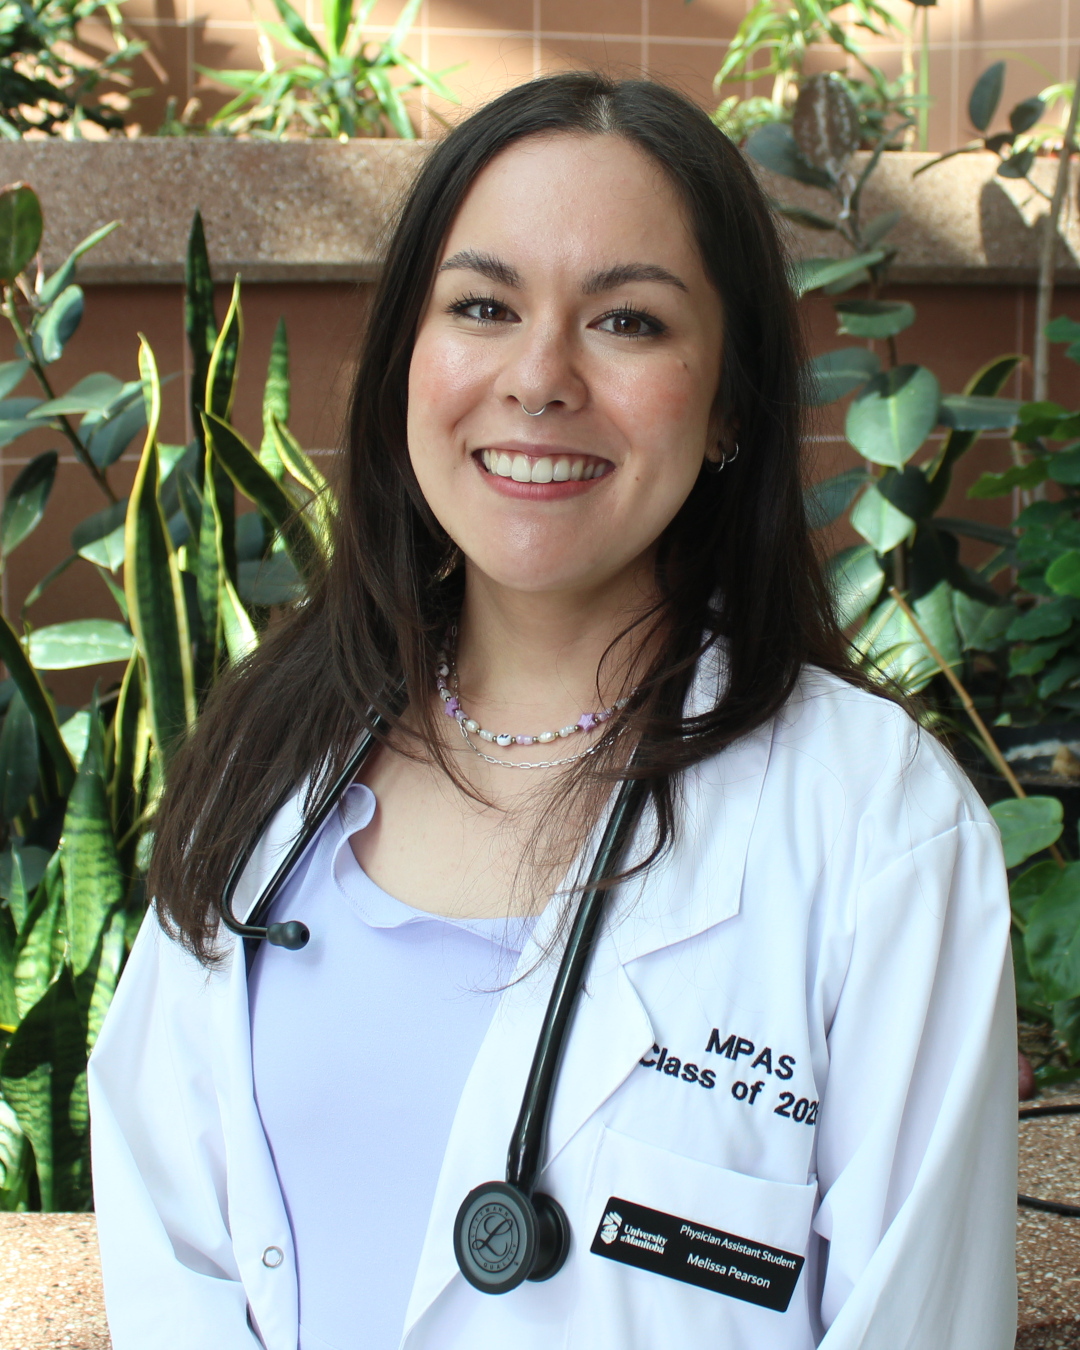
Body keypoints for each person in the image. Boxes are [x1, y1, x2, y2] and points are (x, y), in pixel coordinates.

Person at [88, 72, 1016, 1350]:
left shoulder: (876, 825)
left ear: (729, 399)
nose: (538, 378)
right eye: (483, 306)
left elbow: (920, 1321)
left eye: (628, 321)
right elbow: (170, 1254)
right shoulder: (271, 761)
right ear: (406, 360)